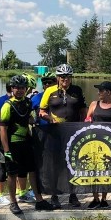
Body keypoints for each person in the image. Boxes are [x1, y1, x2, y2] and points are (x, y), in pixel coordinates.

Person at [39, 63, 87, 208]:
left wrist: (82, 124)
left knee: (72, 164)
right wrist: (50, 119)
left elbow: (83, 110)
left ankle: (73, 195)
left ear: (71, 78)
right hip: (55, 133)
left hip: (73, 132)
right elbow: (42, 111)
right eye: (62, 77)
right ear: (57, 78)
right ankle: (54, 195)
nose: (65, 79)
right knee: (55, 164)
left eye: (68, 77)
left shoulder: (77, 90)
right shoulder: (50, 91)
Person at [0, 75, 36, 215]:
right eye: (17, 88)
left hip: (26, 143)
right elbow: (3, 129)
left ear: (26, 89)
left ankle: (36, 198)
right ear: (12, 88)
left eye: (22, 88)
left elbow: (29, 118)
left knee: (29, 170)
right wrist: (6, 150)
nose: (20, 90)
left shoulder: (27, 102)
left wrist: (36, 120)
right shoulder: (7, 105)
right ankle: (13, 202)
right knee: (12, 174)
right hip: (12, 144)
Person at [85, 81, 111, 208]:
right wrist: (88, 121)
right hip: (93, 142)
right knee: (93, 171)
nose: (98, 93)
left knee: (106, 171)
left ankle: (104, 199)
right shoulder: (94, 104)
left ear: (109, 92)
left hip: (109, 144)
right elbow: (87, 119)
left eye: (101, 90)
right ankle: (95, 198)